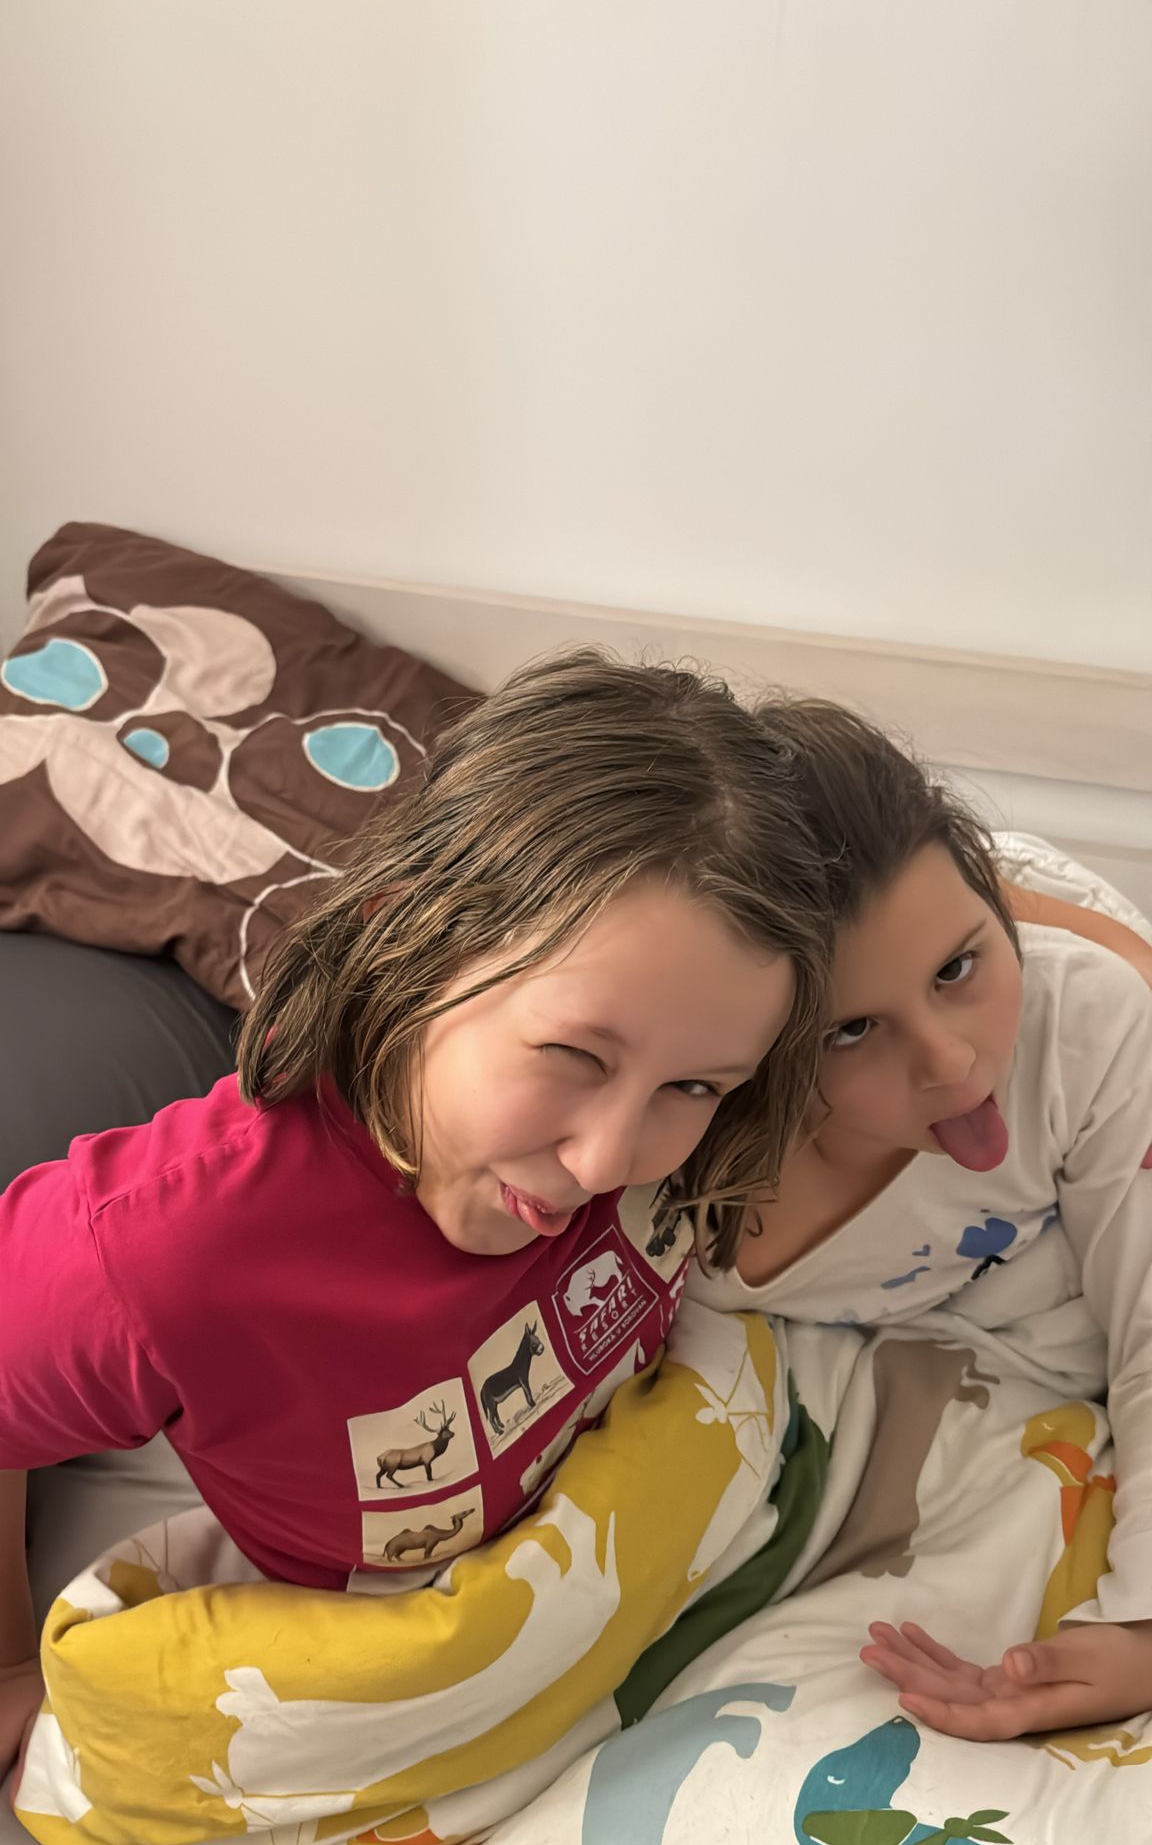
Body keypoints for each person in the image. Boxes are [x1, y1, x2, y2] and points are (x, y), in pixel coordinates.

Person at [0, 650, 832, 1777]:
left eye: (693, 1086)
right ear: (411, 941)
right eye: (573, 1055)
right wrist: (13, 1662)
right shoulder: (168, 1248)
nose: (606, 1162)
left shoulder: (701, 1098)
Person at [693, 693, 1152, 1743]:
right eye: (852, 1030)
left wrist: (1142, 1628)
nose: (950, 1061)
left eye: (958, 968)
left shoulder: (1078, 1024)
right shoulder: (669, 1161)